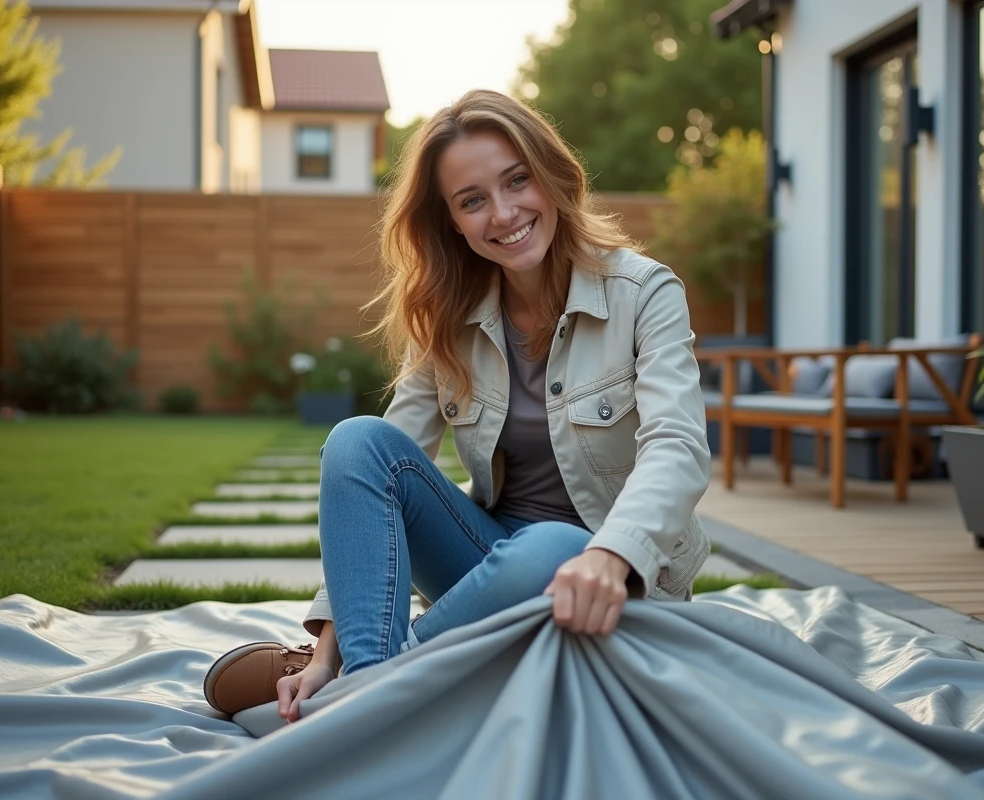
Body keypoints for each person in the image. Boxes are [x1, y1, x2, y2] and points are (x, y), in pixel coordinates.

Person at [202, 89, 712, 723]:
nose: (503, 213)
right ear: (451, 221)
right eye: (473, 201)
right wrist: (329, 648)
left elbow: (678, 446)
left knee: (556, 545)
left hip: (608, 578)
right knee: (357, 441)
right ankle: (361, 677)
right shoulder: (449, 317)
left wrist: (612, 554)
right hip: (489, 564)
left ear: (552, 176)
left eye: (516, 181)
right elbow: (387, 467)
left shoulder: (645, 293)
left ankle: (366, 697)